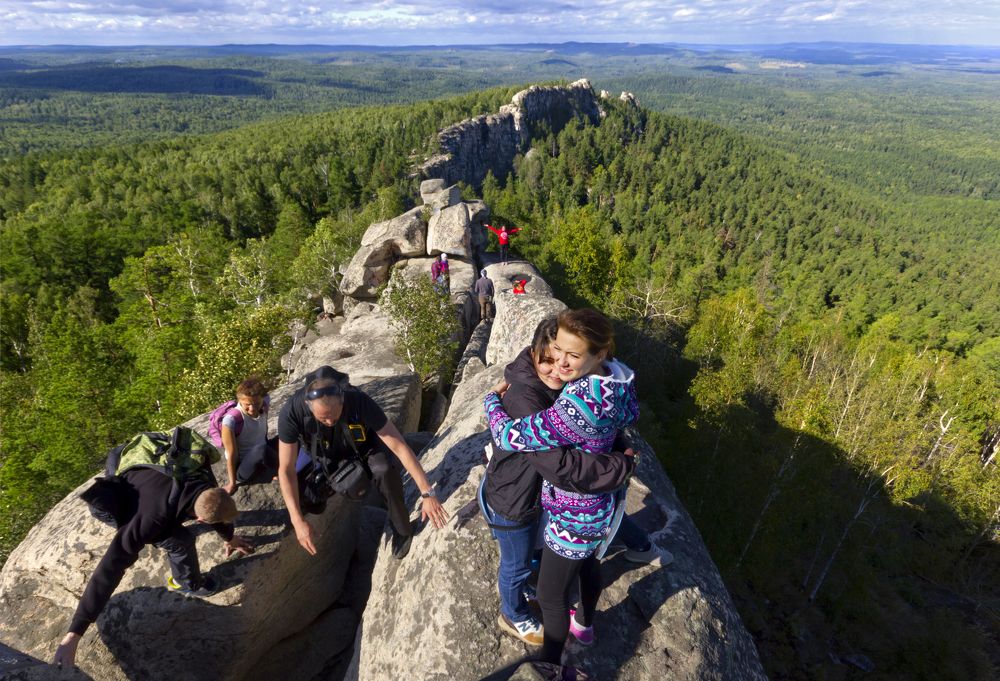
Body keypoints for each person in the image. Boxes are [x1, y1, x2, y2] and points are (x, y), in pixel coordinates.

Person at [484, 308, 638, 666]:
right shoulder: (620, 380)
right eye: (557, 352)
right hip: (601, 506)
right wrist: (620, 458)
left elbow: (510, 435)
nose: (563, 364)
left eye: (573, 355)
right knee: (589, 562)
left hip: (574, 512)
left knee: (550, 596)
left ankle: (550, 664)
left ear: (599, 354)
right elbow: (628, 417)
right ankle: (583, 625)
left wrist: (491, 400)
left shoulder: (579, 403)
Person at [52, 441, 253, 669]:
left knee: (177, 526)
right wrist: (74, 634)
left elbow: (216, 508)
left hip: (138, 465)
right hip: (114, 497)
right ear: (200, 520)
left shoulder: (203, 479)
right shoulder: (151, 518)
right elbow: (110, 567)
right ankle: (185, 583)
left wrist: (229, 537)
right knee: (181, 540)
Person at [276, 365, 449, 560]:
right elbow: (286, 469)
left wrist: (427, 493)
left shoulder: (358, 400)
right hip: (322, 452)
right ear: (309, 407)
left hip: (363, 445)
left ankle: (402, 529)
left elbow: (399, 446)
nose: (330, 422)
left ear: (342, 399)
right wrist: (297, 520)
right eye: (323, 418)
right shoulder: (292, 412)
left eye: (334, 415)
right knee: (302, 491)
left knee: (384, 470)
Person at [219, 377, 278, 495]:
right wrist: (232, 483)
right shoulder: (231, 420)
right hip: (243, 468)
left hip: (264, 453)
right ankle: (284, 471)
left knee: (289, 439)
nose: (252, 408)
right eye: (247, 404)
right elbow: (232, 454)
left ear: (262, 399)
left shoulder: (265, 403)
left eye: (256, 403)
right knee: (261, 450)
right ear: (240, 400)